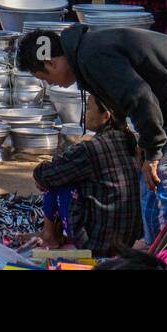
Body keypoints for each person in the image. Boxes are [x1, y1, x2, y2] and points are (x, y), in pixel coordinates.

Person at [18, 25, 167, 245]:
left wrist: (153, 151)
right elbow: (123, 102)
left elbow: (139, 97)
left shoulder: (92, 56)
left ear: (50, 63)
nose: (49, 83)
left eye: (43, 77)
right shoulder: (87, 52)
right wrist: (141, 140)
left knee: (165, 176)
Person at [32, 92, 142, 256]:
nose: (85, 113)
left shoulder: (91, 149)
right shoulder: (128, 140)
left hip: (96, 242)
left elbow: (45, 175)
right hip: (128, 239)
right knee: (64, 173)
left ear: (106, 116)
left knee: (57, 178)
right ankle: (51, 233)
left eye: (89, 108)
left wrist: (42, 175)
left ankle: (49, 236)